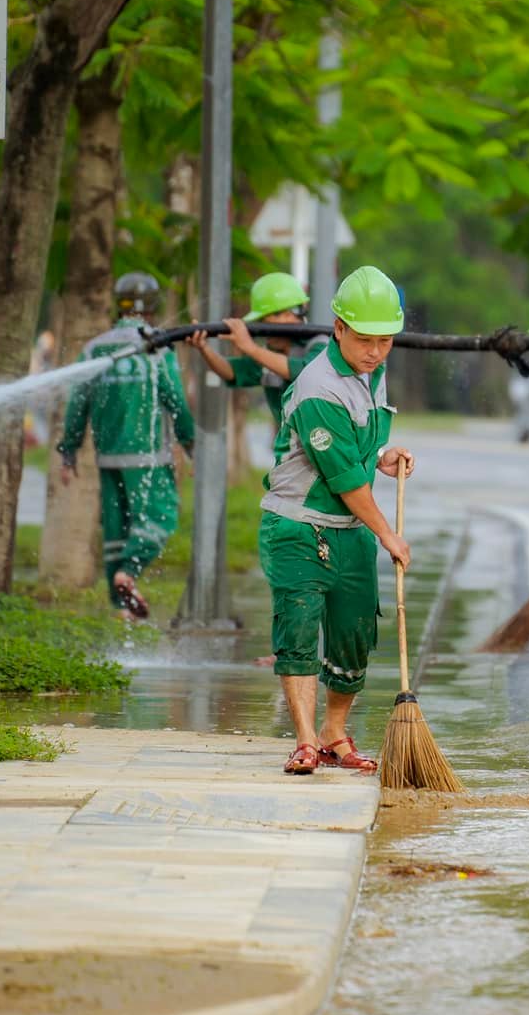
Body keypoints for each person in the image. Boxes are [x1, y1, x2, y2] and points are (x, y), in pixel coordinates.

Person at [259, 264, 415, 775]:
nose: (375, 351)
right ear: (339, 328)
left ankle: (333, 733)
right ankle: (304, 739)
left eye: (386, 341)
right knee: (299, 630)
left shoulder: (373, 373)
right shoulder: (318, 387)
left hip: (348, 532)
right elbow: (346, 480)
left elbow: (359, 450)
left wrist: (384, 456)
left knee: (353, 635)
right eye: (366, 339)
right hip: (298, 527)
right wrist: (388, 534)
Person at [56, 272, 196, 621]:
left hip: (108, 456)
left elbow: (78, 402)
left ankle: (122, 610)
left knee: (117, 528)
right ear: (152, 307)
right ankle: (129, 573)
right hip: (148, 454)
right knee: (160, 516)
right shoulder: (156, 346)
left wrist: (69, 449)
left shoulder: (94, 348)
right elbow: (174, 397)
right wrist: (189, 441)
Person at [186, 272, 330, 456]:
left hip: (325, 450)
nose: (263, 329)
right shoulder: (269, 356)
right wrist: (204, 348)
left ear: (289, 315)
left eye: (266, 321)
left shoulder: (320, 345)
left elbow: (302, 372)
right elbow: (231, 371)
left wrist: (251, 348)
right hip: (291, 454)